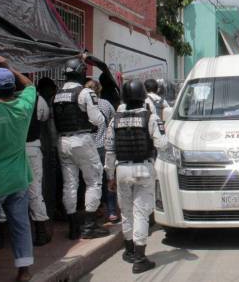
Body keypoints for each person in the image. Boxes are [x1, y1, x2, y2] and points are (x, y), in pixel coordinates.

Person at [105, 80, 167, 274]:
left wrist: (110, 176)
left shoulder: (115, 119)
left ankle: (129, 250)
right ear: (143, 97)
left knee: (126, 211)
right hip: (143, 168)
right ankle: (140, 259)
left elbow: (109, 150)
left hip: (121, 169)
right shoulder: (150, 117)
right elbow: (162, 144)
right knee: (141, 213)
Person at [52, 57, 109, 240]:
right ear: (81, 72)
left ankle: (73, 228)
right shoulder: (84, 93)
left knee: (70, 184)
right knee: (94, 180)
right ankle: (89, 226)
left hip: (62, 142)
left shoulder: (57, 94)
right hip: (82, 140)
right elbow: (98, 120)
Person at [0, 56, 36, 281]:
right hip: (19, 178)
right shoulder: (24, 106)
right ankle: (24, 272)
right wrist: (8, 67)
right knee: (20, 225)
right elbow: (30, 86)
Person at [84, 80, 118, 223]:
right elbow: (113, 122)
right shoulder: (106, 104)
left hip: (87, 148)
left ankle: (95, 210)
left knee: (91, 182)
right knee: (109, 179)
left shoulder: (83, 105)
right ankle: (111, 212)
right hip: (104, 148)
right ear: (100, 89)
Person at [26, 86, 52, 246]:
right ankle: (41, 232)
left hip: (7, 150)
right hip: (31, 148)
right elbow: (44, 116)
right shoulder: (36, 99)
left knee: (3, 192)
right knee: (35, 190)